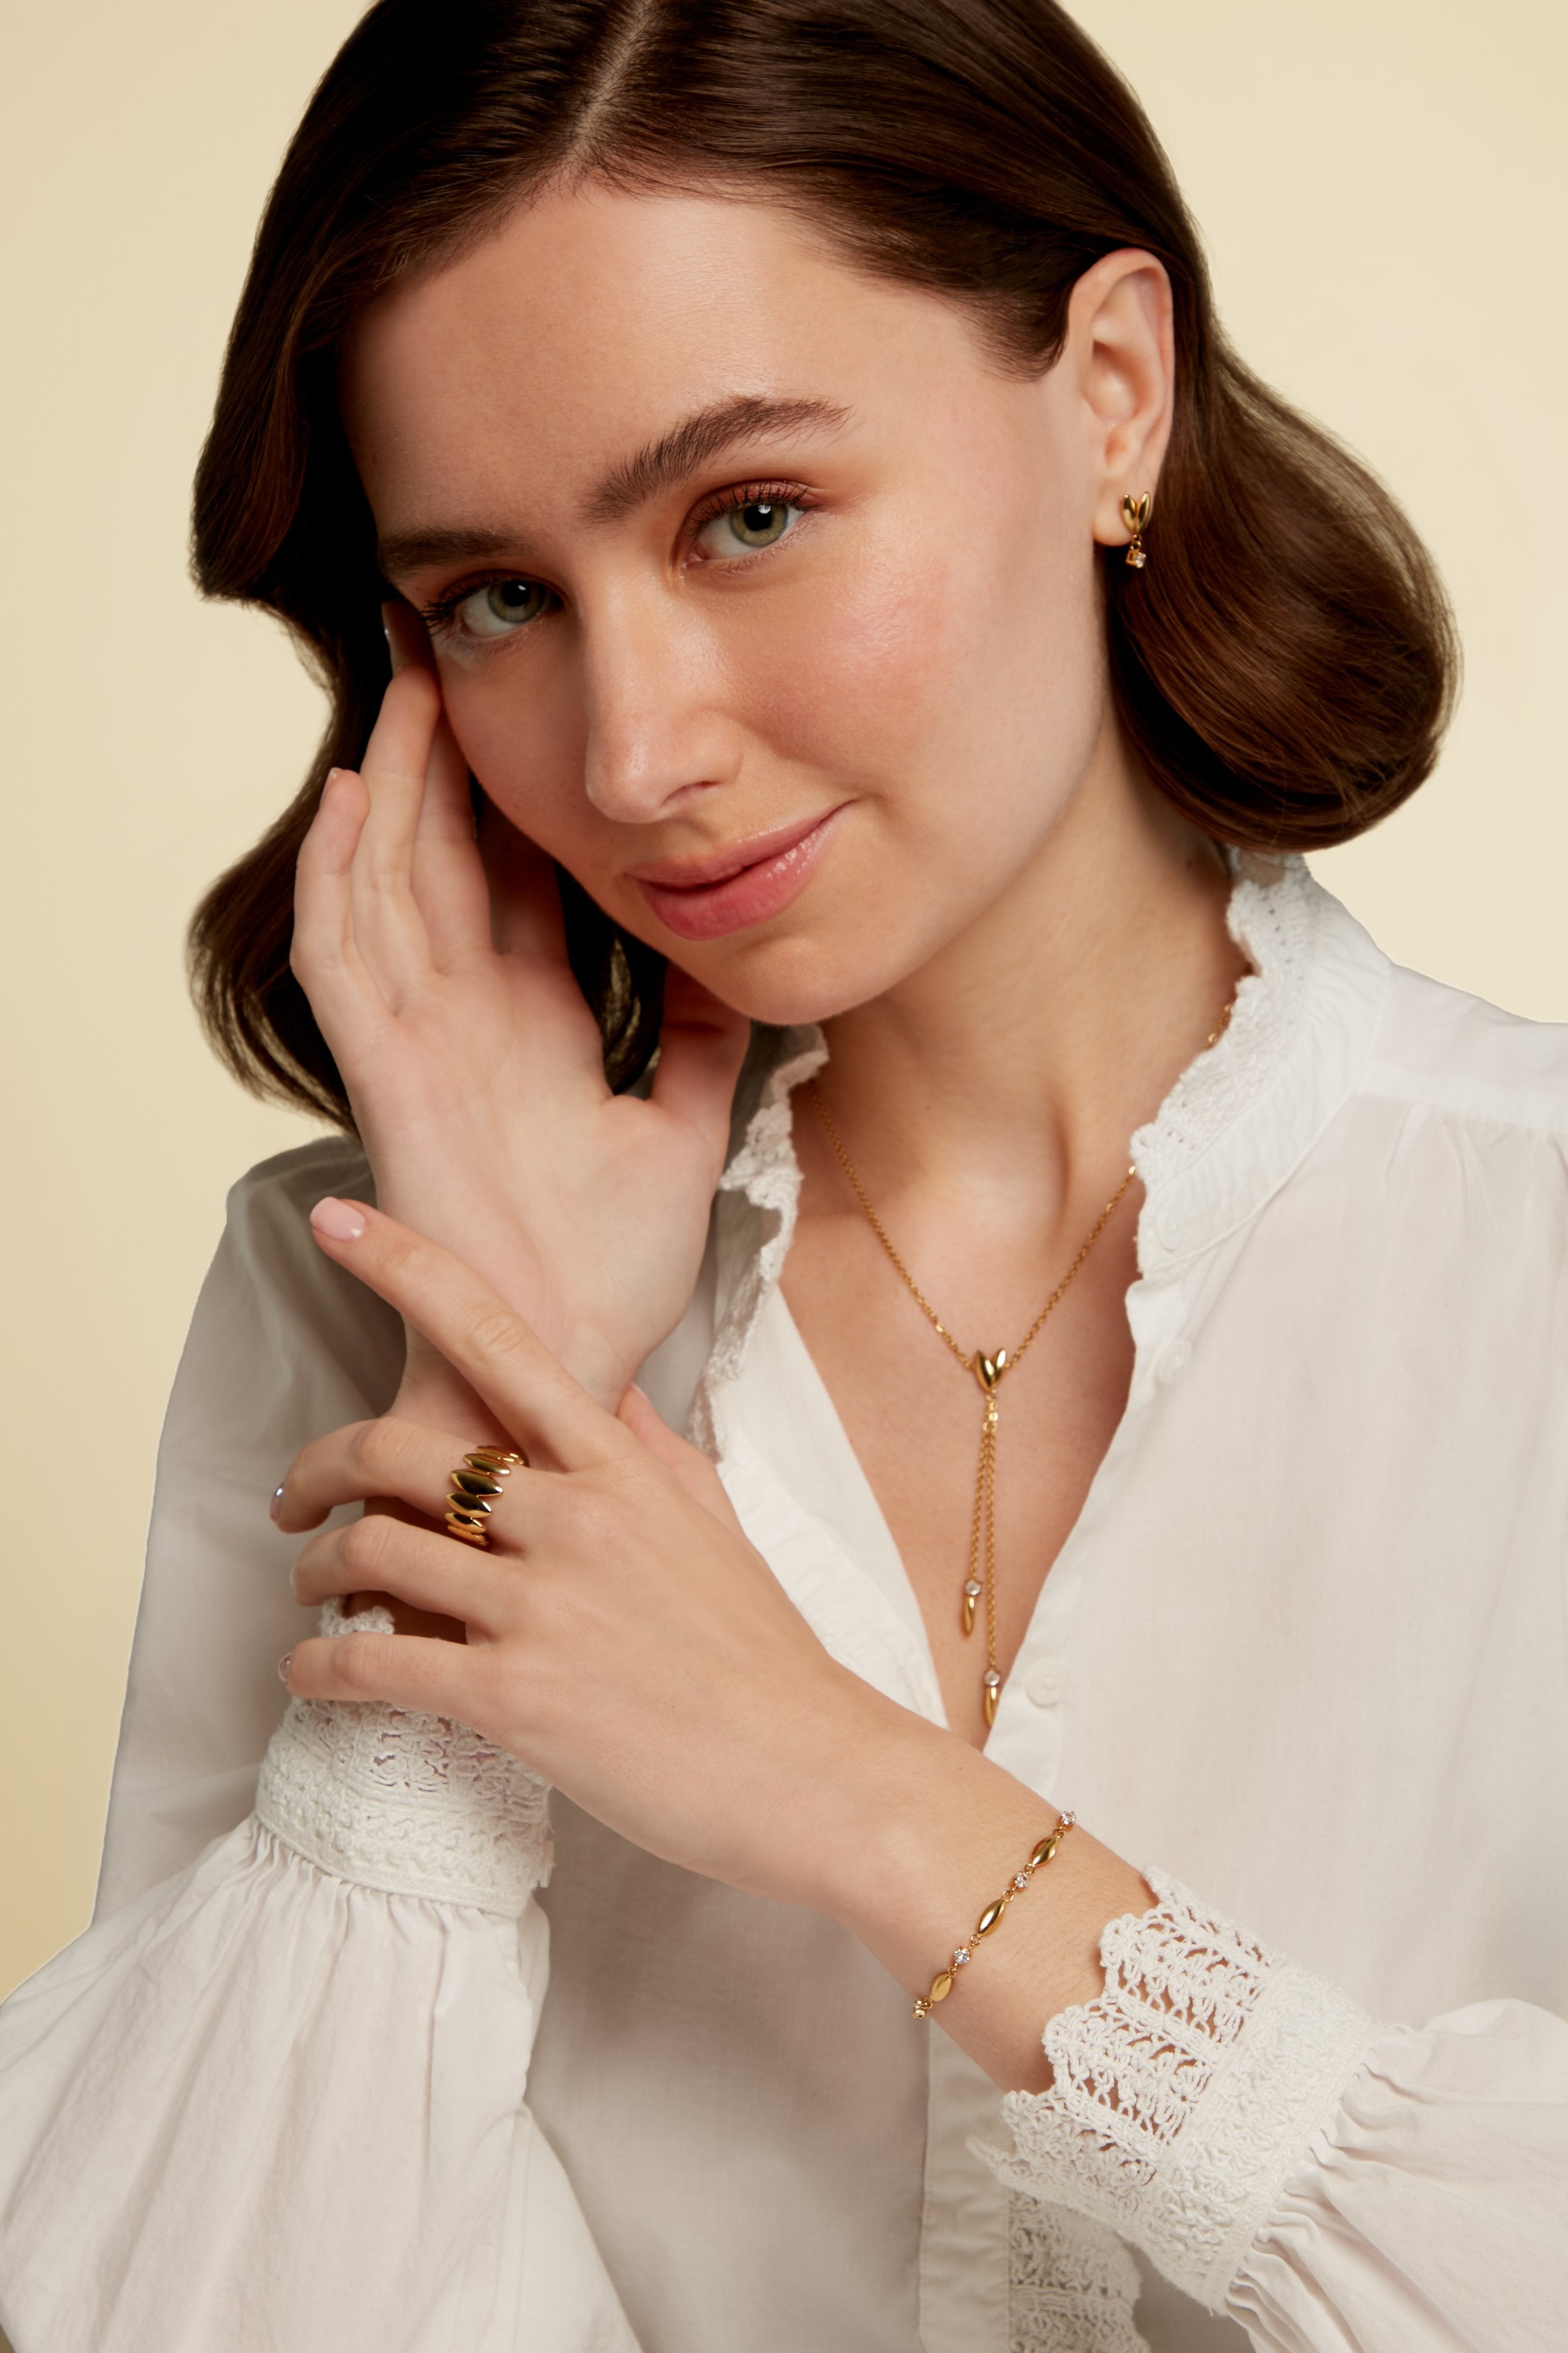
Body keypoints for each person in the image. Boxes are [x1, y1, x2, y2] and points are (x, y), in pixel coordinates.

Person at [1, 1, 1564, 2346]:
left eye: (748, 514)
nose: (634, 754)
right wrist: (489, 1392)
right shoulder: (358, 1296)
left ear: (1113, 394)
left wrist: (862, 1795)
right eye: (495, 598)